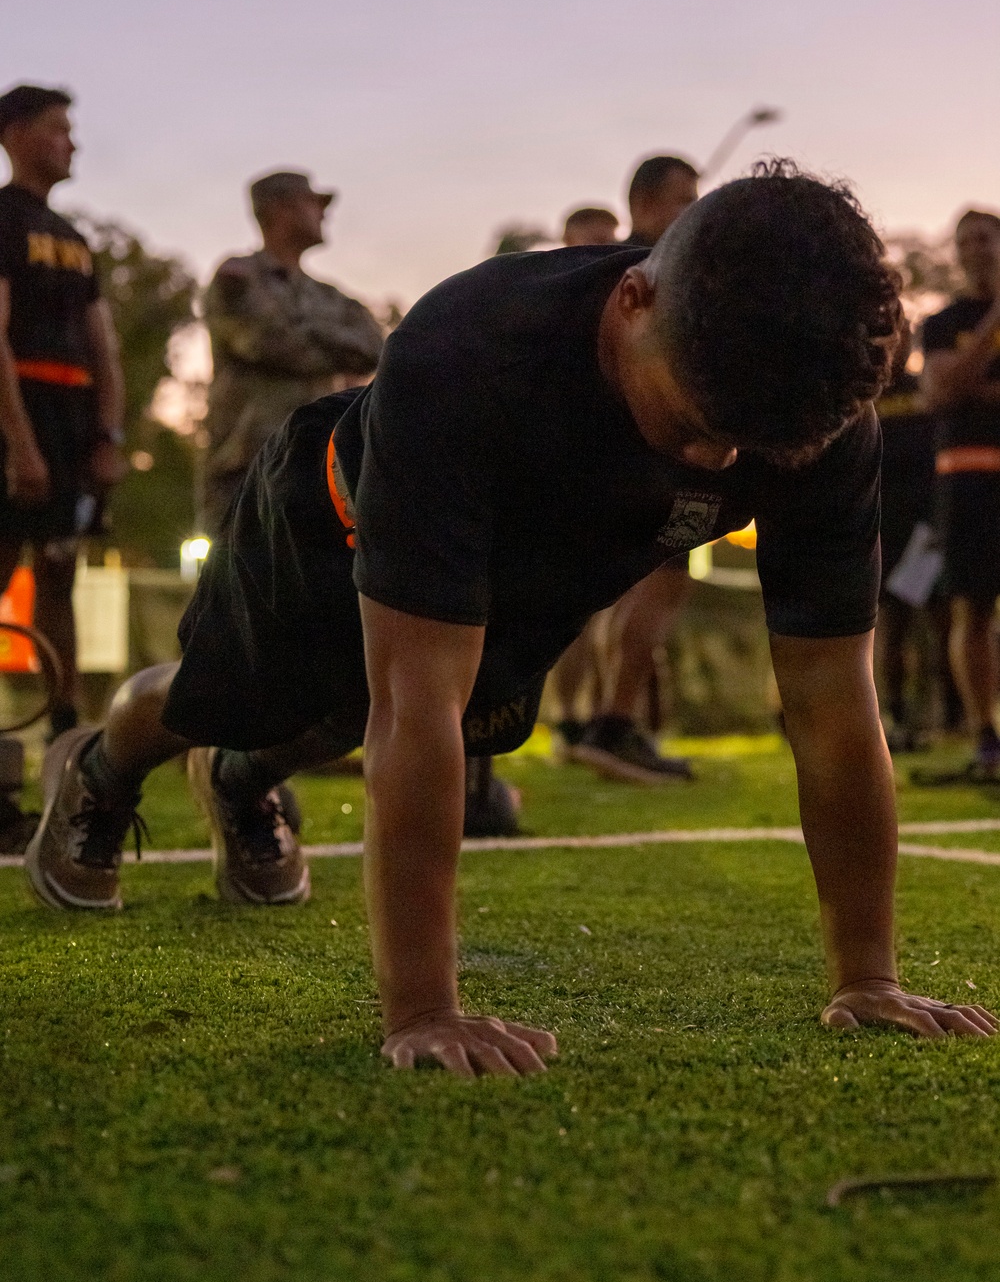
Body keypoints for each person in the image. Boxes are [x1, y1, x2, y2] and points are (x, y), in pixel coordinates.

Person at [27, 162, 996, 1072]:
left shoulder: (810, 411)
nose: (712, 462)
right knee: (233, 699)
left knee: (345, 722)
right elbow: (412, 707)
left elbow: (832, 699)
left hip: (538, 559)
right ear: (632, 301)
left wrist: (867, 974)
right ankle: (102, 769)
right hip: (327, 521)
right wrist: (422, 1008)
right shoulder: (469, 351)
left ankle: (241, 784)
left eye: (742, 444)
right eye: (696, 424)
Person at [0, 84, 126, 851]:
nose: (71, 142)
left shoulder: (74, 236)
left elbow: (104, 341)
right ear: (15, 135)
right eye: (56, 129)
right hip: (20, 410)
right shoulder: (2, 217)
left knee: (59, 572)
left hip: (74, 422)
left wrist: (109, 432)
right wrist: (18, 441)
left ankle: (66, 734)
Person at [558, 153, 700, 781]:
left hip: (616, 457)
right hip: (654, 457)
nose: (694, 211)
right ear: (645, 204)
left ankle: (601, 722)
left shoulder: (612, 271)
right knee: (661, 582)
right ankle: (612, 723)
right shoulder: (652, 272)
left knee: (618, 592)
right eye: (684, 198)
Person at [201, 170, 383, 537]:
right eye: (313, 203)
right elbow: (266, 342)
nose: (324, 213)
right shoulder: (237, 276)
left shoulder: (329, 295)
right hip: (248, 464)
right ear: (280, 210)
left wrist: (302, 331)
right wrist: (332, 348)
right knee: (238, 585)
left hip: (321, 467)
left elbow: (373, 346)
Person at [922, 209, 1000, 777]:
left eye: (987, 238)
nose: (976, 249)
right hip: (968, 480)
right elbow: (943, 392)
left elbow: (965, 386)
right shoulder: (943, 321)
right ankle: (986, 735)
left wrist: (973, 381)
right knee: (971, 607)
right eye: (965, 241)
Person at [874, 324, 938, 751]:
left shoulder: (926, 393)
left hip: (928, 531)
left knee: (940, 623)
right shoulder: (864, 396)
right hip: (881, 531)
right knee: (890, 628)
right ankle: (893, 714)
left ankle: (945, 714)